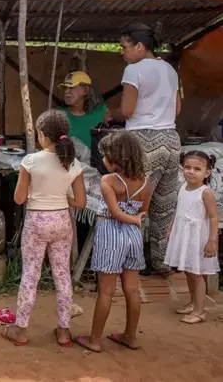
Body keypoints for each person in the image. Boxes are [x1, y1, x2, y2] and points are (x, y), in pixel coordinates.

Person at [1, 110, 86, 347]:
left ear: (41, 135)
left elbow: (19, 199)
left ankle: (20, 330)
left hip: (37, 222)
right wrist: (61, 197)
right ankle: (64, 331)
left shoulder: (30, 161)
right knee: (62, 275)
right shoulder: (73, 163)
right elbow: (80, 202)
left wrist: (37, 194)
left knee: (31, 274)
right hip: (61, 221)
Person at [107, 23, 182, 276]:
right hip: (171, 139)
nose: (122, 52)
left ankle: (131, 262)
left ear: (140, 47)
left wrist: (111, 114)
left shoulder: (134, 69)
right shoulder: (170, 70)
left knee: (133, 203)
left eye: (124, 47)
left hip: (142, 140)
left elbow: (127, 111)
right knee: (163, 205)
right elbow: (177, 110)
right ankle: (160, 262)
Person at [74, 131, 150, 353]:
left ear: (116, 158)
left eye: (105, 156)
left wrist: (131, 217)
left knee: (106, 291)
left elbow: (115, 213)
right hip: (134, 236)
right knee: (132, 290)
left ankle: (95, 340)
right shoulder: (145, 181)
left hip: (111, 235)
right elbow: (145, 211)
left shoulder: (108, 181)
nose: (103, 160)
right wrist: (136, 219)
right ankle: (130, 336)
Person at [164, 151, 220, 324]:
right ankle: (192, 302)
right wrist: (172, 226)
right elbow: (179, 209)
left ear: (207, 173)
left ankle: (199, 311)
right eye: (187, 167)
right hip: (183, 235)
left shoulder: (206, 192)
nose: (191, 171)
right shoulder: (183, 187)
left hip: (197, 238)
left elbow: (213, 217)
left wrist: (212, 240)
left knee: (197, 274)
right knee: (189, 271)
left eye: (197, 169)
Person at [60, 71, 107, 149]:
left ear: (85, 90)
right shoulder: (59, 116)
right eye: (65, 88)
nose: (66, 91)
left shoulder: (102, 111)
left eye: (71, 87)